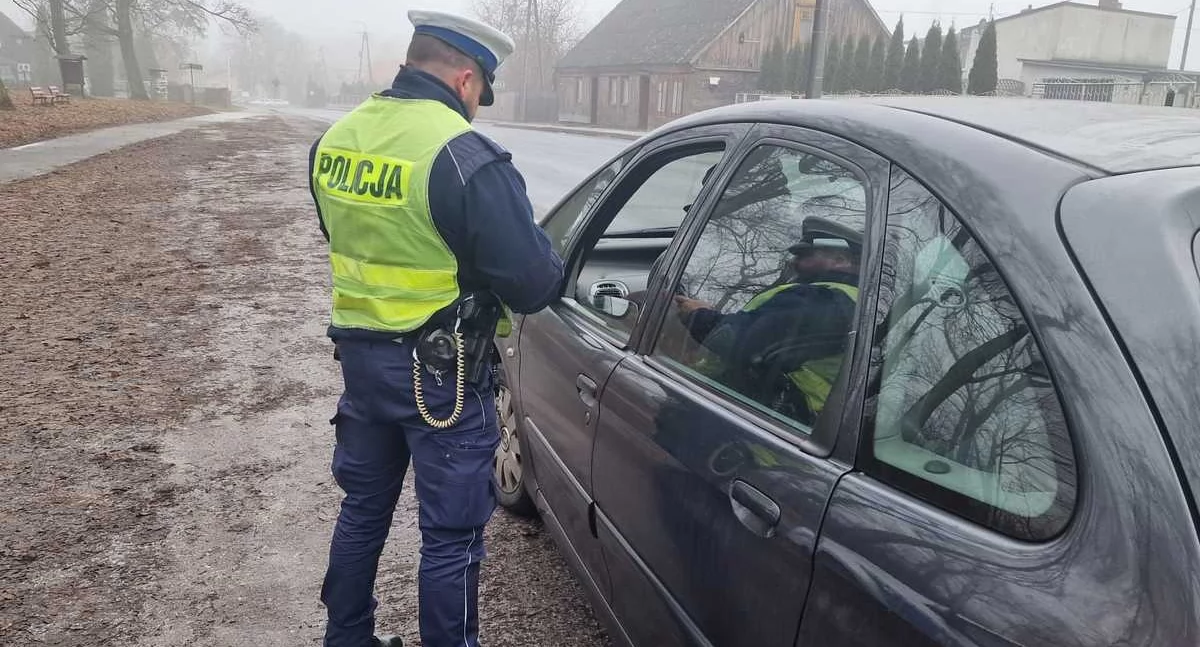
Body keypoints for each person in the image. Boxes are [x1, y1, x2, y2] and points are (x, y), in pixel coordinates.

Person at [307, 9, 564, 647]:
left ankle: (347, 638)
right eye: (481, 93)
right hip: (440, 376)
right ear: (468, 78)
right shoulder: (462, 155)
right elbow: (534, 282)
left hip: (361, 367)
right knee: (450, 538)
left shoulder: (336, 139)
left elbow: (349, 241)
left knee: (362, 512)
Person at [673, 217, 861, 424]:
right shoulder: (850, 302)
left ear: (841, 260)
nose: (793, 262)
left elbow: (740, 342)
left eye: (805, 255)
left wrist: (698, 315)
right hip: (779, 419)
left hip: (764, 421)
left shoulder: (822, 300)